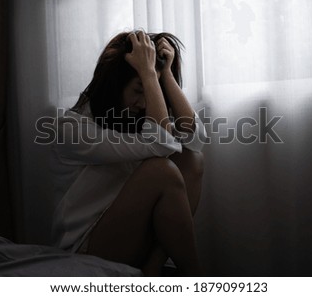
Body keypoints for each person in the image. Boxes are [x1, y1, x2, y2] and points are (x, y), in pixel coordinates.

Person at [50, 30, 207, 276]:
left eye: (150, 91)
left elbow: (196, 141)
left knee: (190, 160)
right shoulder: (71, 128)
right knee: (160, 170)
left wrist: (165, 74)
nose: (144, 103)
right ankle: (197, 276)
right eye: (138, 90)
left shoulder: (137, 121)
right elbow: (163, 142)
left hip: (132, 238)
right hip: (85, 247)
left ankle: (151, 270)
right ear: (115, 84)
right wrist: (147, 74)